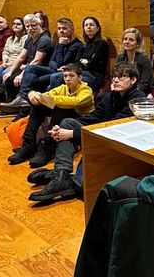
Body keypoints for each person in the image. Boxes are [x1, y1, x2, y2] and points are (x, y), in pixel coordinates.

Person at [28, 62, 146, 204]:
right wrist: (64, 130)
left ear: (133, 80)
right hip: (102, 134)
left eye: (121, 77)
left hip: (119, 141)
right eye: (114, 76)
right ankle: (61, 173)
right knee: (67, 122)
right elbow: (94, 118)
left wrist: (72, 134)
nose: (115, 80)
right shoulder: (110, 96)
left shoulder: (137, 99)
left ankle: (69, 180)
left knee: (90, 141)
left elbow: (114, 128)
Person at [6, 63, 95, 167]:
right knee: (37, 106)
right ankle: (28, 144)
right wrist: (32, 94)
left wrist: (48, 99)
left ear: (79, 77)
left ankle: (48, 146)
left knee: (60, 108)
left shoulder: (87, 90)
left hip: (80, 121)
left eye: (72, 75)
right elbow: (46, 95)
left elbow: (75, 102)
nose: (68, 79)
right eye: (65, 76)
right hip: (65, 116)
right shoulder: (63, 88)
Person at [0, 13, 55, 113]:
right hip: (32, 69)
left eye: (33, 25)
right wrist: (10, 72)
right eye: (27, 26)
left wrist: (22, 74)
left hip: (43, 69)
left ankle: (22, 99)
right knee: (9, 78)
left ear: (40, 24)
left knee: (20, 77)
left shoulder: (44, 39)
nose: (30, 28)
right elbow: (21, 57)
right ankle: (11, 106)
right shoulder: (29, 38)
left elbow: (37, 61)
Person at [49, 15, 109, 93]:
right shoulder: (84, 44)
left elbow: (93, 63)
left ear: (97, 28)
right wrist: (83, 62)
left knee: (57, 78)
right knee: (54, 78)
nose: (88, 27)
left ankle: (58, 100)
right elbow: (77, 62)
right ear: (84, 29)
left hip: (93, 76)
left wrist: (84, 62)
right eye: (86, 25)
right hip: (81, 73)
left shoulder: (102, 44)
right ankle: (57, 100)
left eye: (91, 25)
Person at [0, 16, 27, 98]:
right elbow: (5, 51)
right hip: (7, 62)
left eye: (18, 24)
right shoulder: (10, 39)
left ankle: (10, 96)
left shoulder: (26, 38)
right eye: (14, 24)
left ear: (23, 26)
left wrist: (11, 63)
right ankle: (6, 90)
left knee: (4, 74)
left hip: (18, 63)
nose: (15, 26)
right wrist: (4, 62)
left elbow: (22, 55)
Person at [115, 26, 154, 93]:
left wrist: (127, 92)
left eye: (131, 40)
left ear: (138, 44)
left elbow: (144, 85)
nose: (127, 42)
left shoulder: (145, 60)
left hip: (141, 91)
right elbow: (117, 77)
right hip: (124, 90)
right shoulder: (120, 58)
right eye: (125, 39)